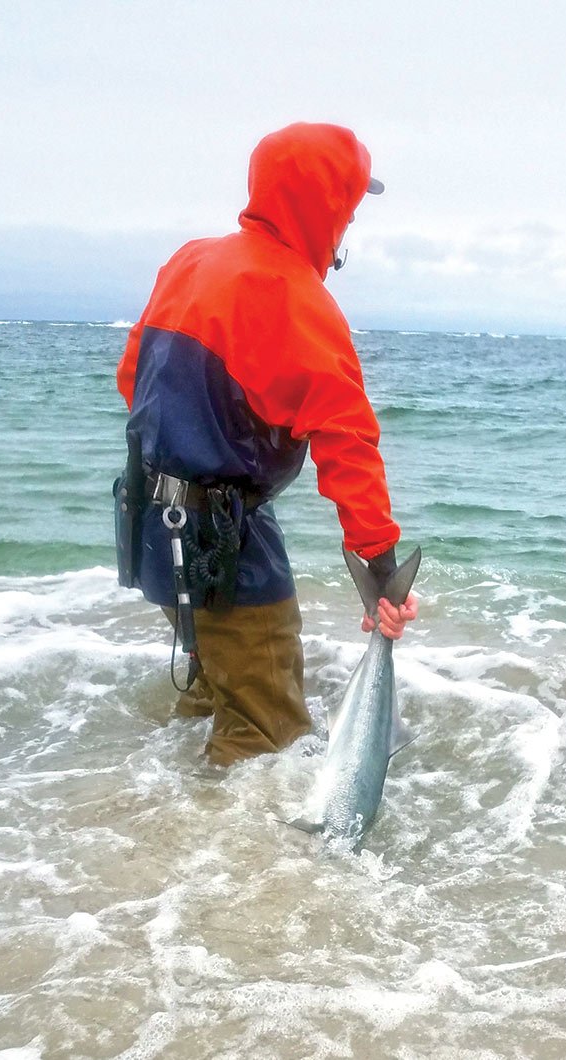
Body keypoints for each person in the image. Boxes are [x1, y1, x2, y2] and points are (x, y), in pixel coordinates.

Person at [116, 122, 418, 767]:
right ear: (327, 207)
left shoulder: (189, 260)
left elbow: (130, 378)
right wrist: (383, 571)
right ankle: (223, 860)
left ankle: (157, 820)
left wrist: (198, 440)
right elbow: (348, 446)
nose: (349, 226)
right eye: (350, 209)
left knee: (215, 686)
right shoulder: (298, 301)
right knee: (266, 738)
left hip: (150, 526)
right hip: (227, 547)